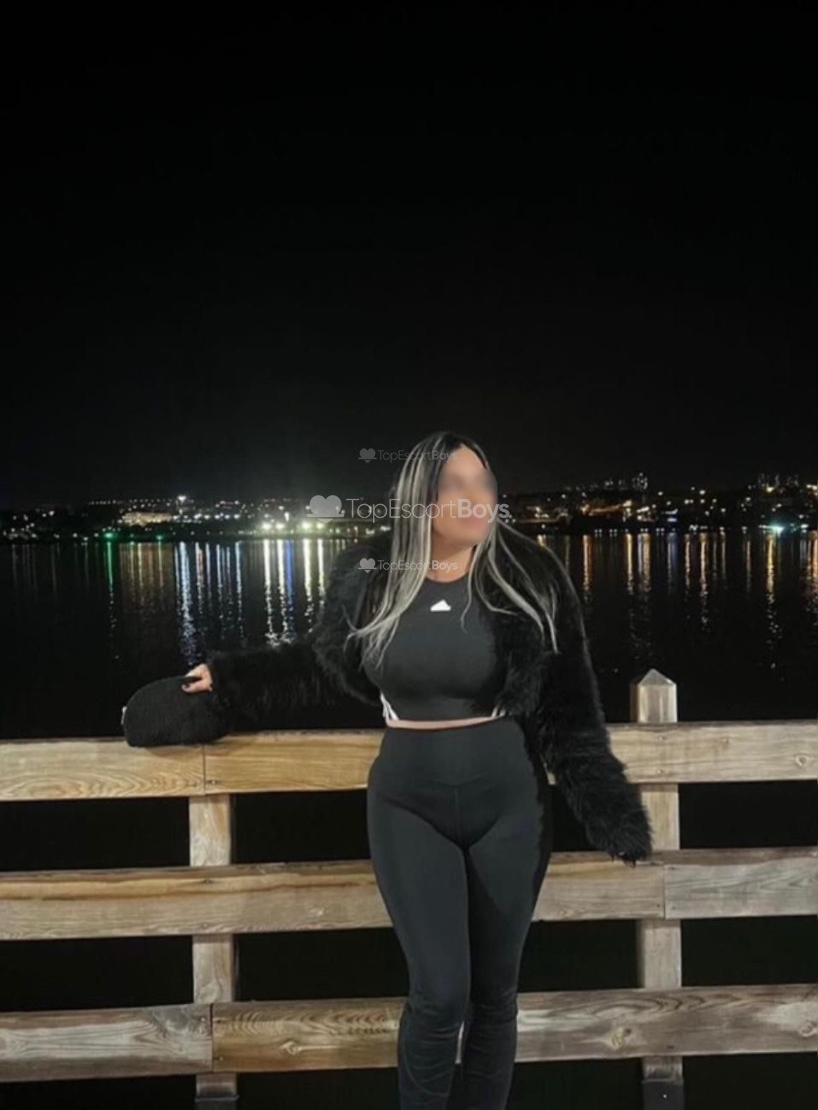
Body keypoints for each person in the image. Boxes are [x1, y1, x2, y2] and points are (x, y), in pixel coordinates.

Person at [123, 430, 653, 1109]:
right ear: (419, 499)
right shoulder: (372, 575)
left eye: (484, 483)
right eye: (456, 485)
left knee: (495, 994)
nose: (477, 499)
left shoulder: (531, 575)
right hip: (409, 805)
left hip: (511, 806)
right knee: (440, 993)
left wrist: (608, 806)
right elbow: (320, 666)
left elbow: (571, 703)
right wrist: (229, 680)